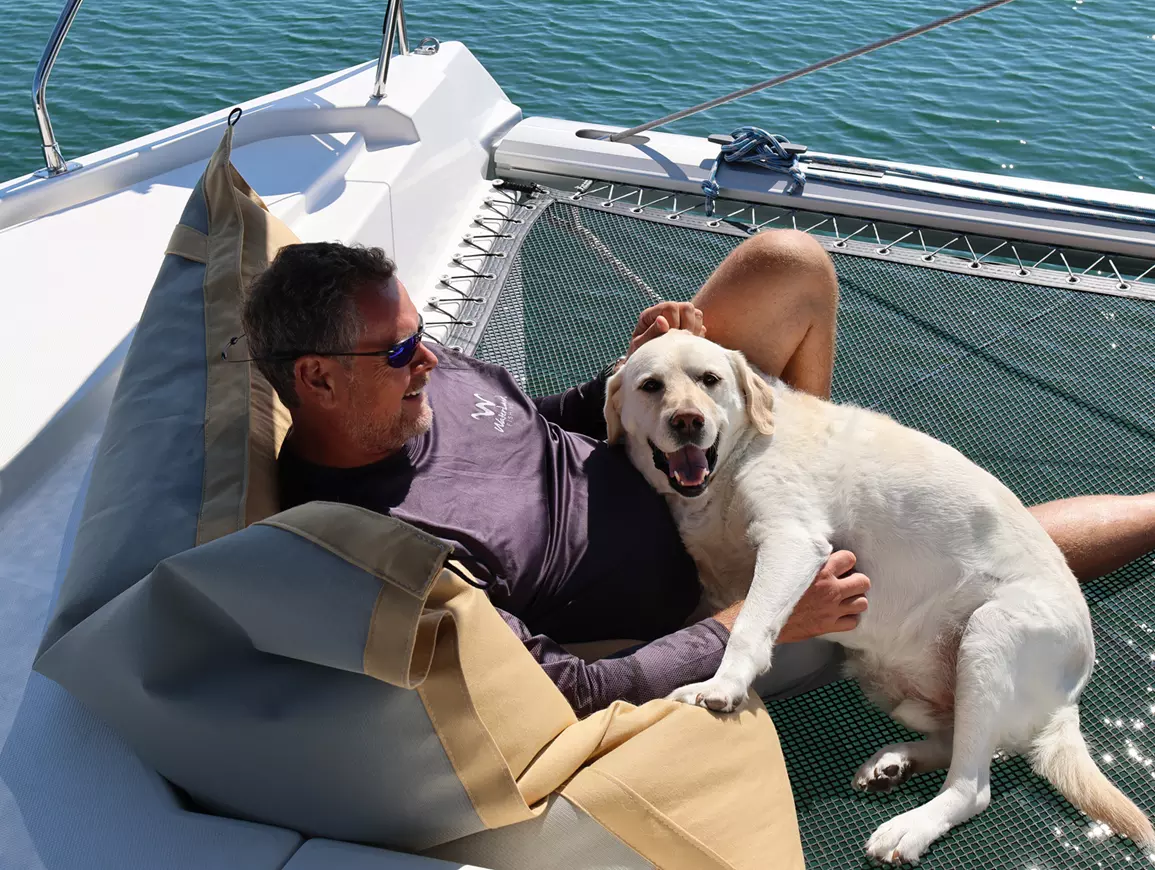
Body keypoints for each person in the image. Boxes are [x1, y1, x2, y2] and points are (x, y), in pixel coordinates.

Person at [242, 235, 1155, 718]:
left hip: (660, 464)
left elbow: (539, 423)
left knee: (785, 268)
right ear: (318, 377)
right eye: (401, 348)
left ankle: (792, 459)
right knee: (972, 554)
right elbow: (555, 690)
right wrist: (745, 626)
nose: (430, 359)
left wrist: (641, 372)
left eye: (422, 335)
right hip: (712, 586)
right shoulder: (379, 539)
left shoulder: (424, 384)